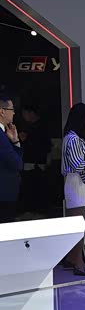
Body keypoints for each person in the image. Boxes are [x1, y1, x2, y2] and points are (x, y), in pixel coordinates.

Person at [61, 102, 85, 275]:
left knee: (80, 225)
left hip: (79, 183)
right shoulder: (73, 139)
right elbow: (78, 165)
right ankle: (78, 263)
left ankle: (72, 258)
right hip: (77, 184)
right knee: (79, 226)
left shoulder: (74, 139)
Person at [19, 103, 52, 214]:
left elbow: (43, 146)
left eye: (25, 113)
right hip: (37, 164)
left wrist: (24, 140)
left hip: (35, 164)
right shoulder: (33, 126)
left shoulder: (36, 128)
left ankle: (34, 212)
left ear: (31, 113)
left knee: (33, 191)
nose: (24, 116)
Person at [0, 95, 23, 223]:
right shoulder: (0, 136)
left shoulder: (3, 134)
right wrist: (16, 143)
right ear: (2, 111)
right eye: (12, 109)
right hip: (4, 194)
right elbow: (17, 163)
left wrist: (15, 141)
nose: (14, 113)